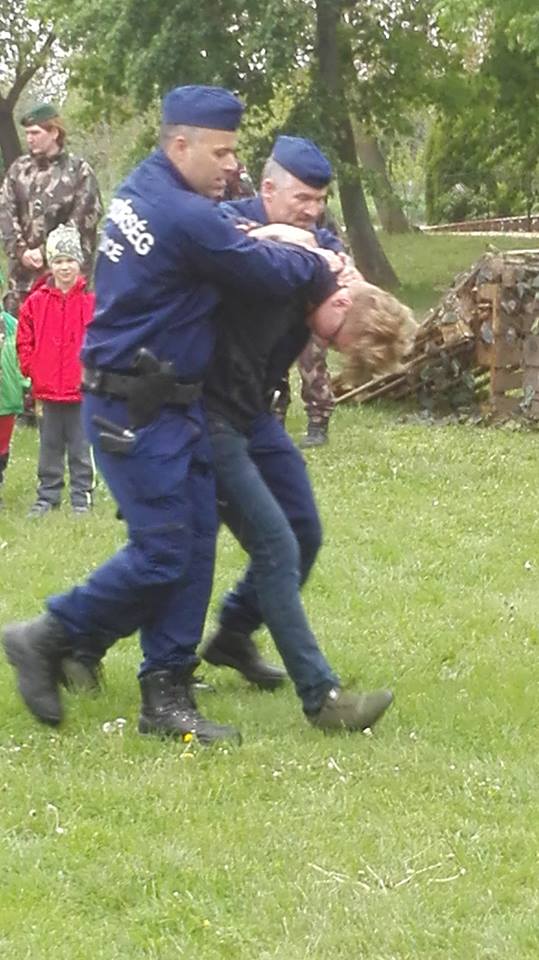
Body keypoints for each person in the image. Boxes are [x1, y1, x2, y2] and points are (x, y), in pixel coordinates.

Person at [2, 86, 343, 743]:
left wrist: (282, 234)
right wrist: (317, 255)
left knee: (191, 546)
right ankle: (50, 635)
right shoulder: (183, 214)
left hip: (164, 400)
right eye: (222, 152)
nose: (232, 164)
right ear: (180, 144)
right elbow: (269, 273)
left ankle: (164, 691)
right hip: (133, 403)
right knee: (164, 551)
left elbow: (238, 236)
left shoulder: (148, 187)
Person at [200, 136, 395, 732]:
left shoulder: (321, 244)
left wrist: (326, 257)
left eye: (320, 201)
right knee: (246, 547)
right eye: (303, 199)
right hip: (209, 406)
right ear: (268, 188)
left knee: (303, 530)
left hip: (255, 409)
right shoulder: (225, 220)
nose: (313, 211)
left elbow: (339, 266)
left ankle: (234, 634)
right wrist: (287, 240)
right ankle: (321, 695)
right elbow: (214, 247)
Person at [16, 225, 96, 517]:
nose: (64, 267)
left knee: (80, 446)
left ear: (79, 262)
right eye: (59, 261)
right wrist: (31, 367)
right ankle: (47, 496)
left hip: (80, 389)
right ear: (51, 264)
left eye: (70, 260)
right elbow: (24, 338)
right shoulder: (36, 302)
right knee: (49, 446)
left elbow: (104, 339)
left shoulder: (91, 302)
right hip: (47, 390)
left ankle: (81, 496)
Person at [0, 102, 103, 317]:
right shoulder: (18, 170)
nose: (29, 139)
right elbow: (5, 213)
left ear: (54, 132)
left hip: (64, 284)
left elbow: (83, 220)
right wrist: (21, 251)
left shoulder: (78, 171)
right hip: (22, 284)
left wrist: (45, 251)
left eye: (35, 133)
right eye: (27, 133)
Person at [0, 294, 29, 508]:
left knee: (1, 445)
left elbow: (23, 354)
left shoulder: (12, 325)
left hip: (6, 396)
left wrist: (26, 383)